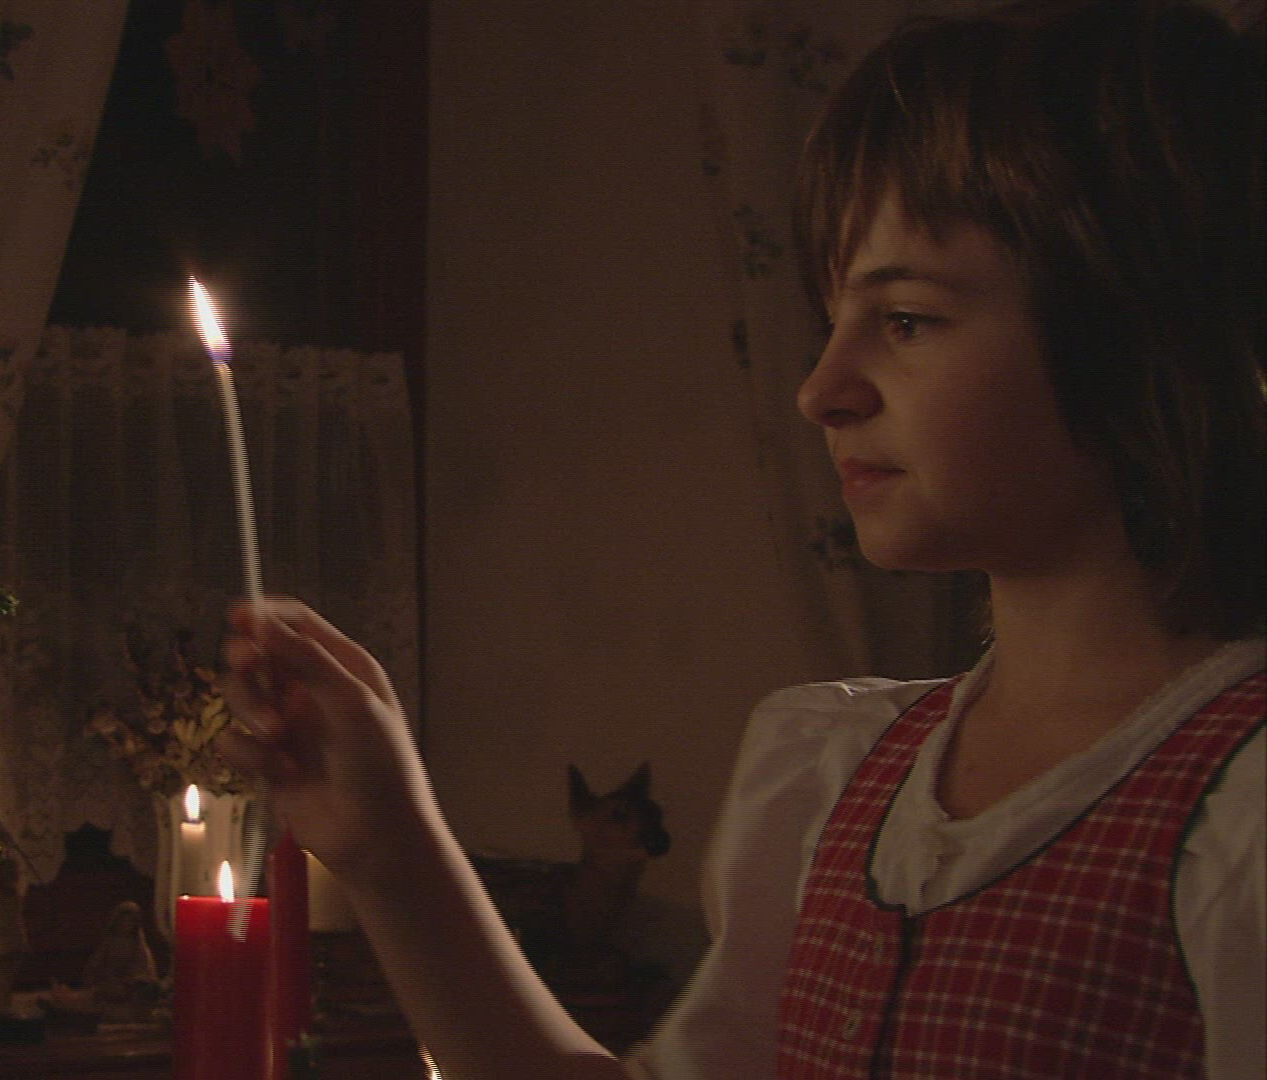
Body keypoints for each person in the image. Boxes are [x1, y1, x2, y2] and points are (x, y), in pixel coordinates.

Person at [217, 2, 1264, 1077]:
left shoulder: (1238, 812)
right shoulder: (839, 778)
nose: (822, 390)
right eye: (831, 322)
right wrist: (392, 852)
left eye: (906, 320)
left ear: (1141, 332)